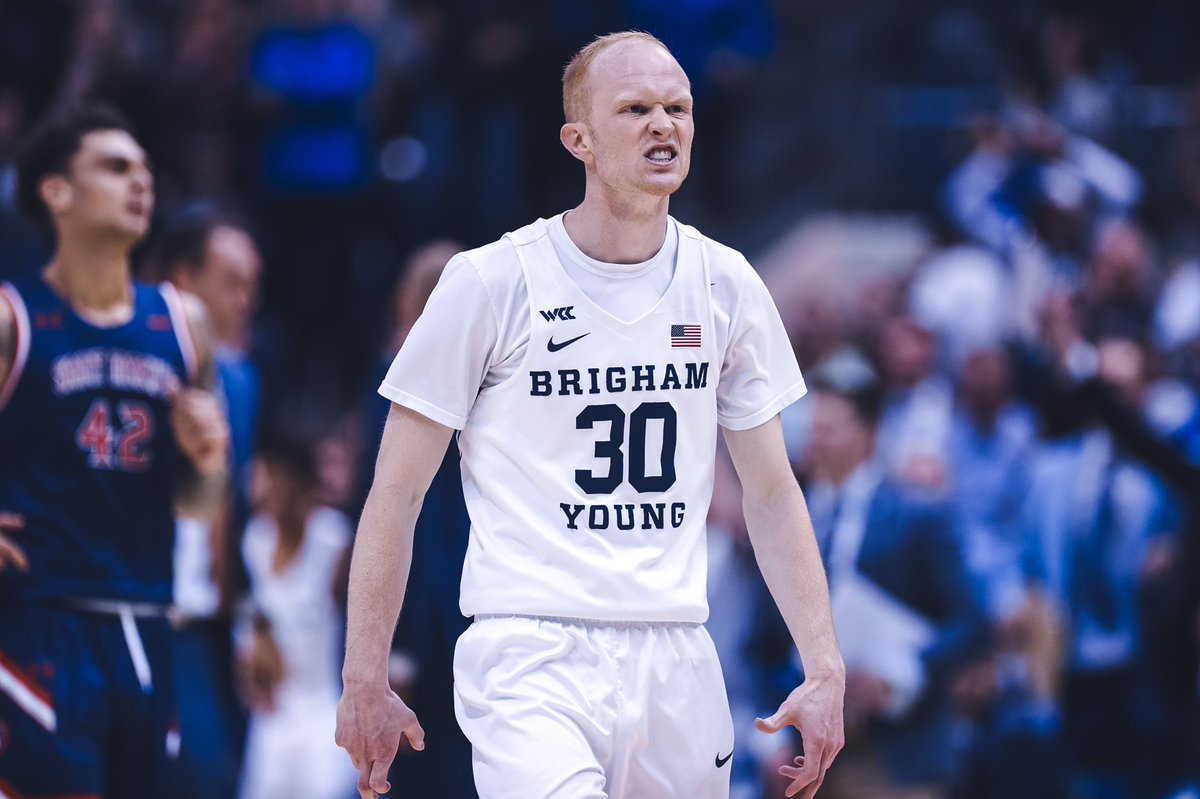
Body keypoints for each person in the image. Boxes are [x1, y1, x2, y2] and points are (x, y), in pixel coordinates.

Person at [336, 31, 845, 799]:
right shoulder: (489, 282)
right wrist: (363, 675)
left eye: (678, 108)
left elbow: (772, 491)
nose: (663, 125)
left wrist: (824, 663)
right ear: (579, 139)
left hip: (677, 649)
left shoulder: (727, 283)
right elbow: (396, 491)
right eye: (636, 109)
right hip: (529, 649)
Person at [0, 105, 229, 798]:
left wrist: (207, 461)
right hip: (41, 619)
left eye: (146, 170)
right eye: (115, 167)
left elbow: (197, 505)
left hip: (147, 618)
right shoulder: (12, 318)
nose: (141, 183)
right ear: (56, 191)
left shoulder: (184, 322)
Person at [146, 206, 264, 799]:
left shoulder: (241, 383)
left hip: (204, 627)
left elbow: (235, 519)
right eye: (232, 282)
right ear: (184, 280)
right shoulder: (134, 362)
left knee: (216, 777)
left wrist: (250, 623)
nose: (246, 301)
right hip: (134, 611)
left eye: (253, 285)